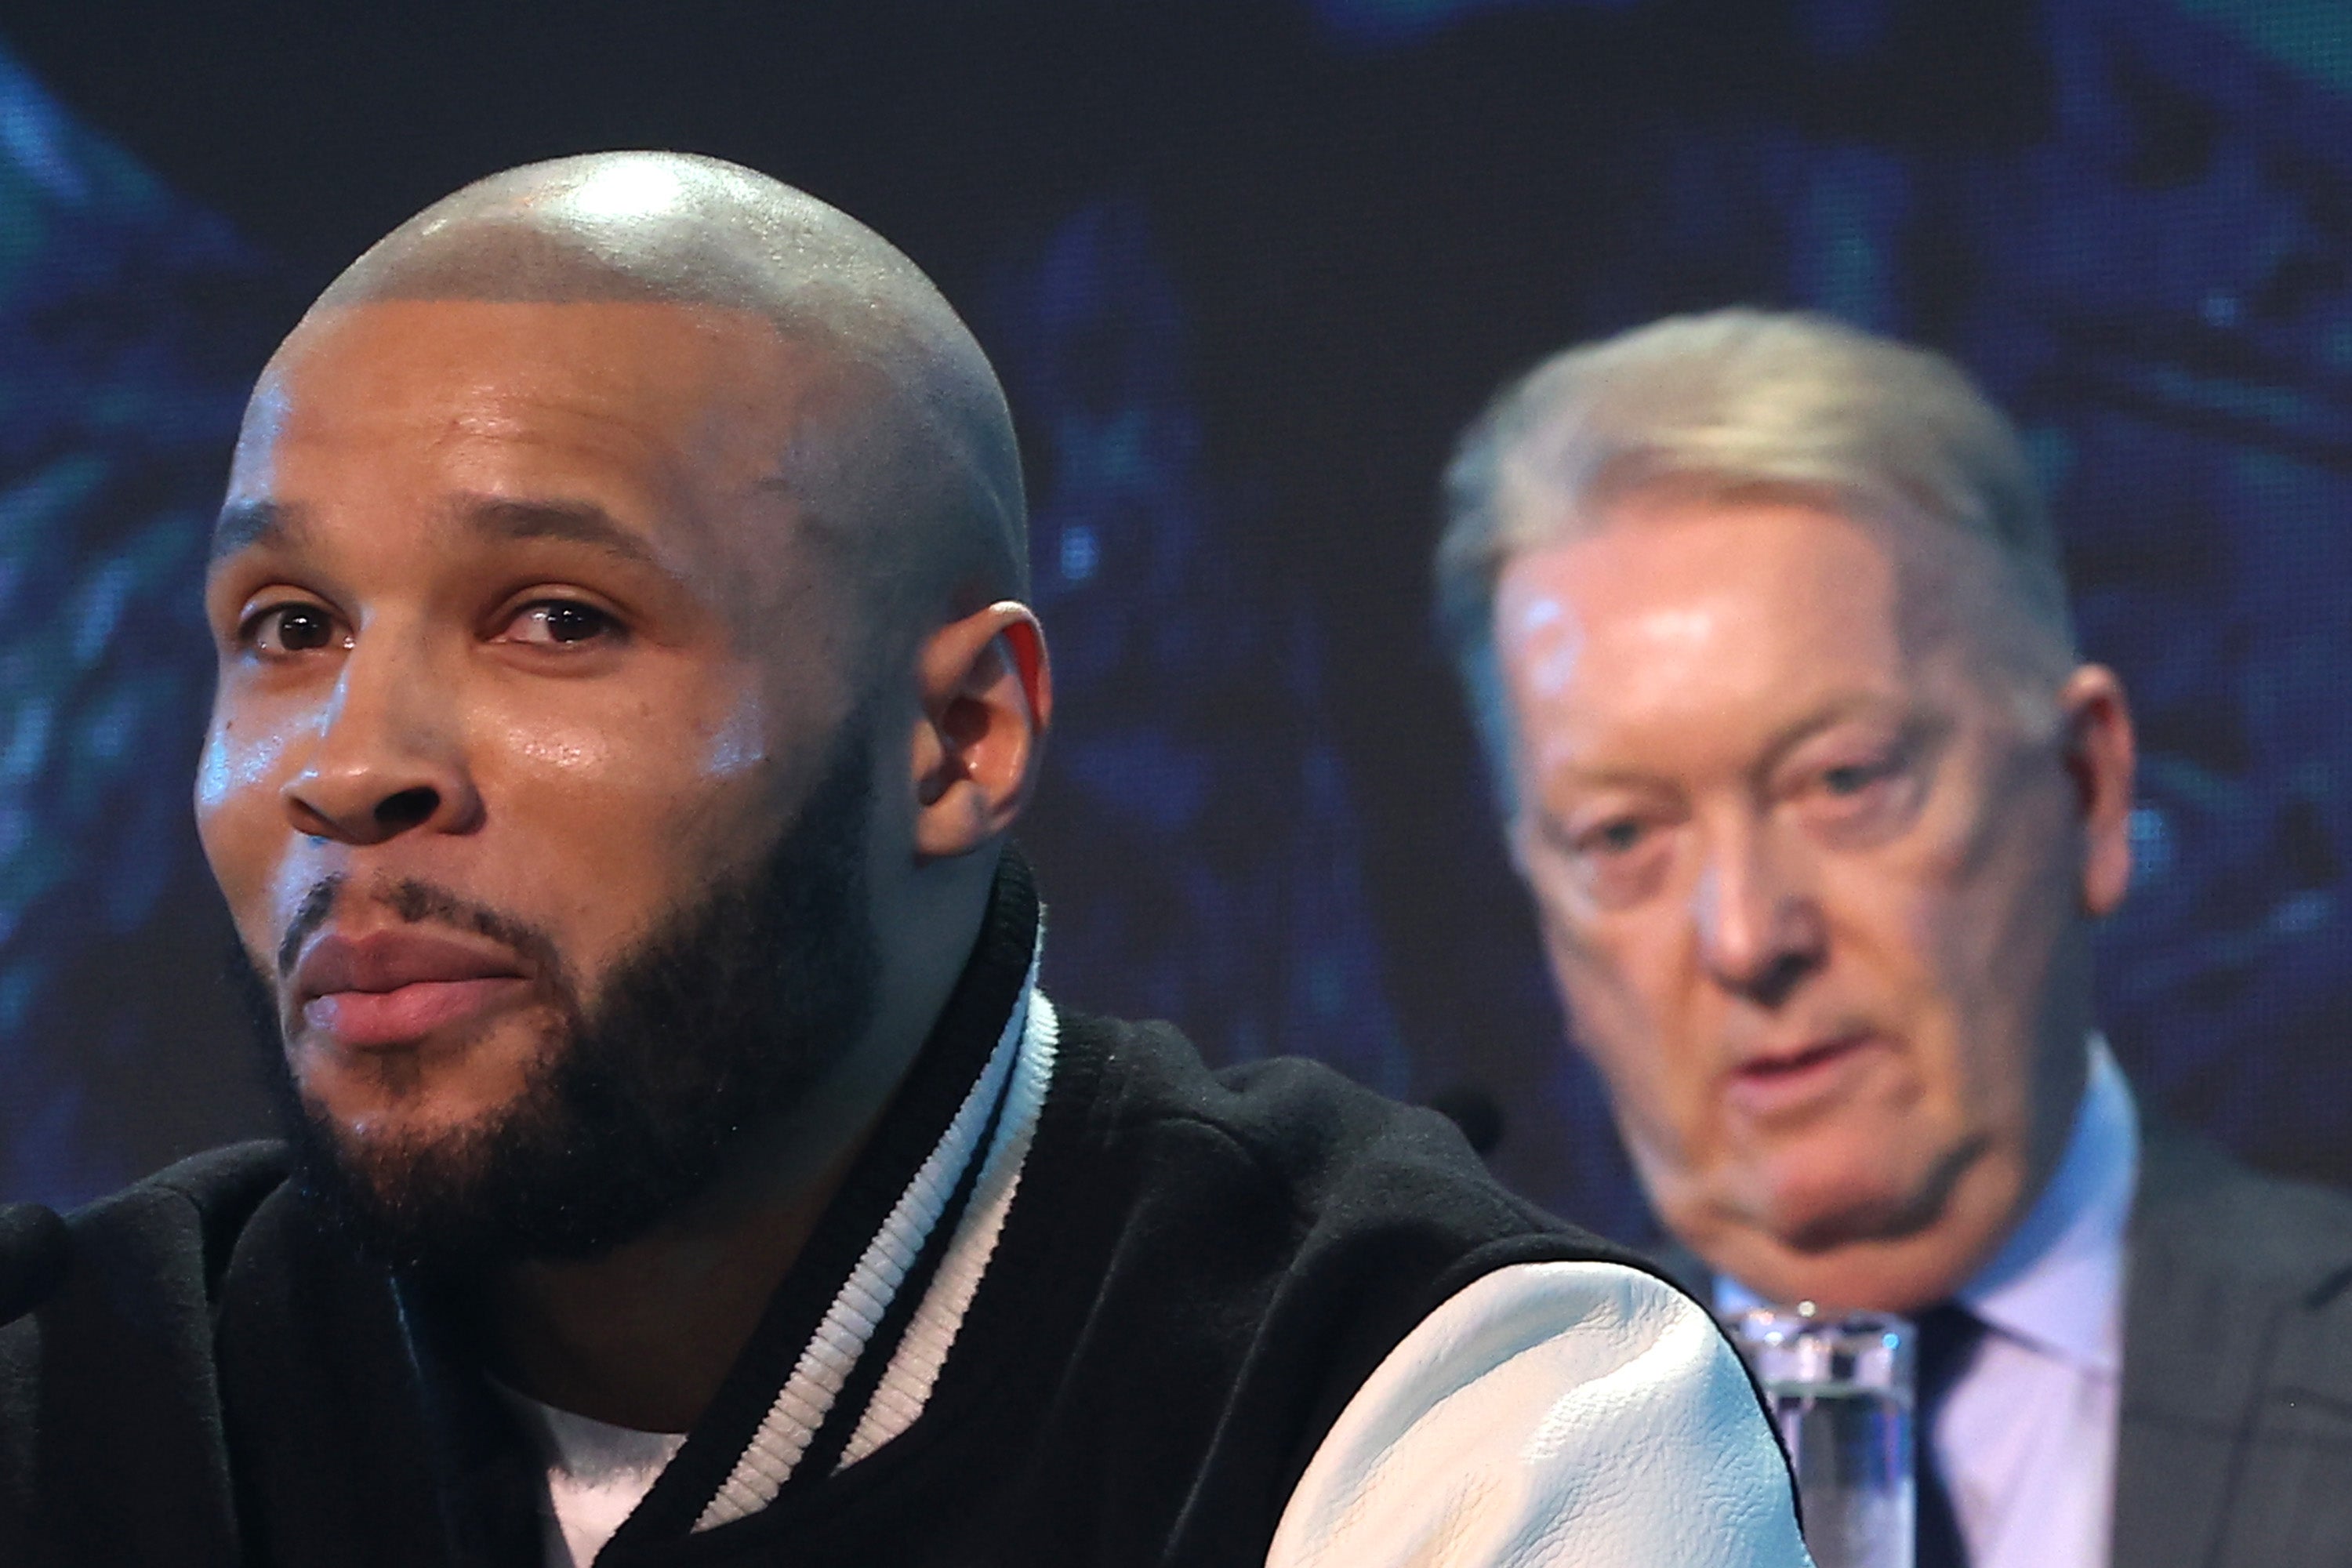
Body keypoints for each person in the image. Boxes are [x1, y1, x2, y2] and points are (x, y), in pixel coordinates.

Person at [0, 155, 1806, 1568]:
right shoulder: (72, 1397)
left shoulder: (1437, 1408)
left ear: (962, 738)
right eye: (289, 623)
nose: (353, 764)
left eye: (555, 615)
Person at [1436, 307, 2352, 1568]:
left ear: (2088, 791)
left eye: (1845, 780)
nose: (1749, 937)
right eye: (1622, 836)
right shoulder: (1444, 1484)